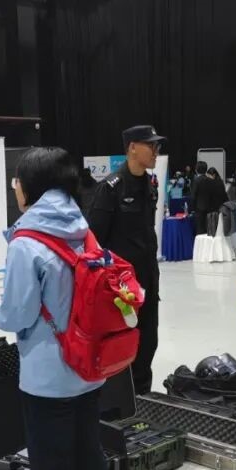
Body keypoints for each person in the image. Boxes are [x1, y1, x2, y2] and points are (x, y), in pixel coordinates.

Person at [0, 148, 113, 470]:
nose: (15, 188)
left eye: (16, 181)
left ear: (31, 186)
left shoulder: (27, 242)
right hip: (88, 370)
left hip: (48, 381)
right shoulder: (82, 228)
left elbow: (17, 314)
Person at [87, 125, 163, 394]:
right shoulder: (111, 189)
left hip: (148, 282)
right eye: (150, 145)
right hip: (121, 291)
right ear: (132, 147)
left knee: (148, 343)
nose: (155, 151)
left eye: (157, 146)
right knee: (120, 349)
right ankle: (121, 404)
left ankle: (143, 400)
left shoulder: (150, 186)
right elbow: (94, 244)